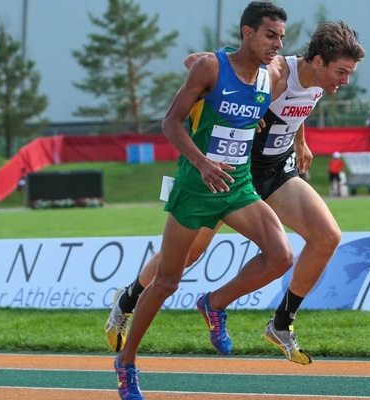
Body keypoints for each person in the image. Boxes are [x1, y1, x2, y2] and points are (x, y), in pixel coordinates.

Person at [106, 20, 365, 368]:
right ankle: (128, 300)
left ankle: (280, 322)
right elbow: (200, 62)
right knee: (188, 255)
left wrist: (301, 143)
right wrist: (245, 105)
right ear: (317, 61)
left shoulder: (319, 83)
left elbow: (298, 106)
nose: (345, 81)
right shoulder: (274, 70)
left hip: (275, 173)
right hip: (232, 170)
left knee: (327, 236)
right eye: (342, 72)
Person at [112, 3, 289, 400]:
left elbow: (250, 110)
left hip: (237, 184)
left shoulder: (271, 73)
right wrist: (202, 162)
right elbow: (170, 122)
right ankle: (126, 362)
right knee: (167, 281)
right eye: (270, 35)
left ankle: (214, 304)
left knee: (281, 256)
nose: (277, 44)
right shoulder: (211, 67)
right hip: (196, 186)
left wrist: (253, 118)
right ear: (247, 33)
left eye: (281, 36)